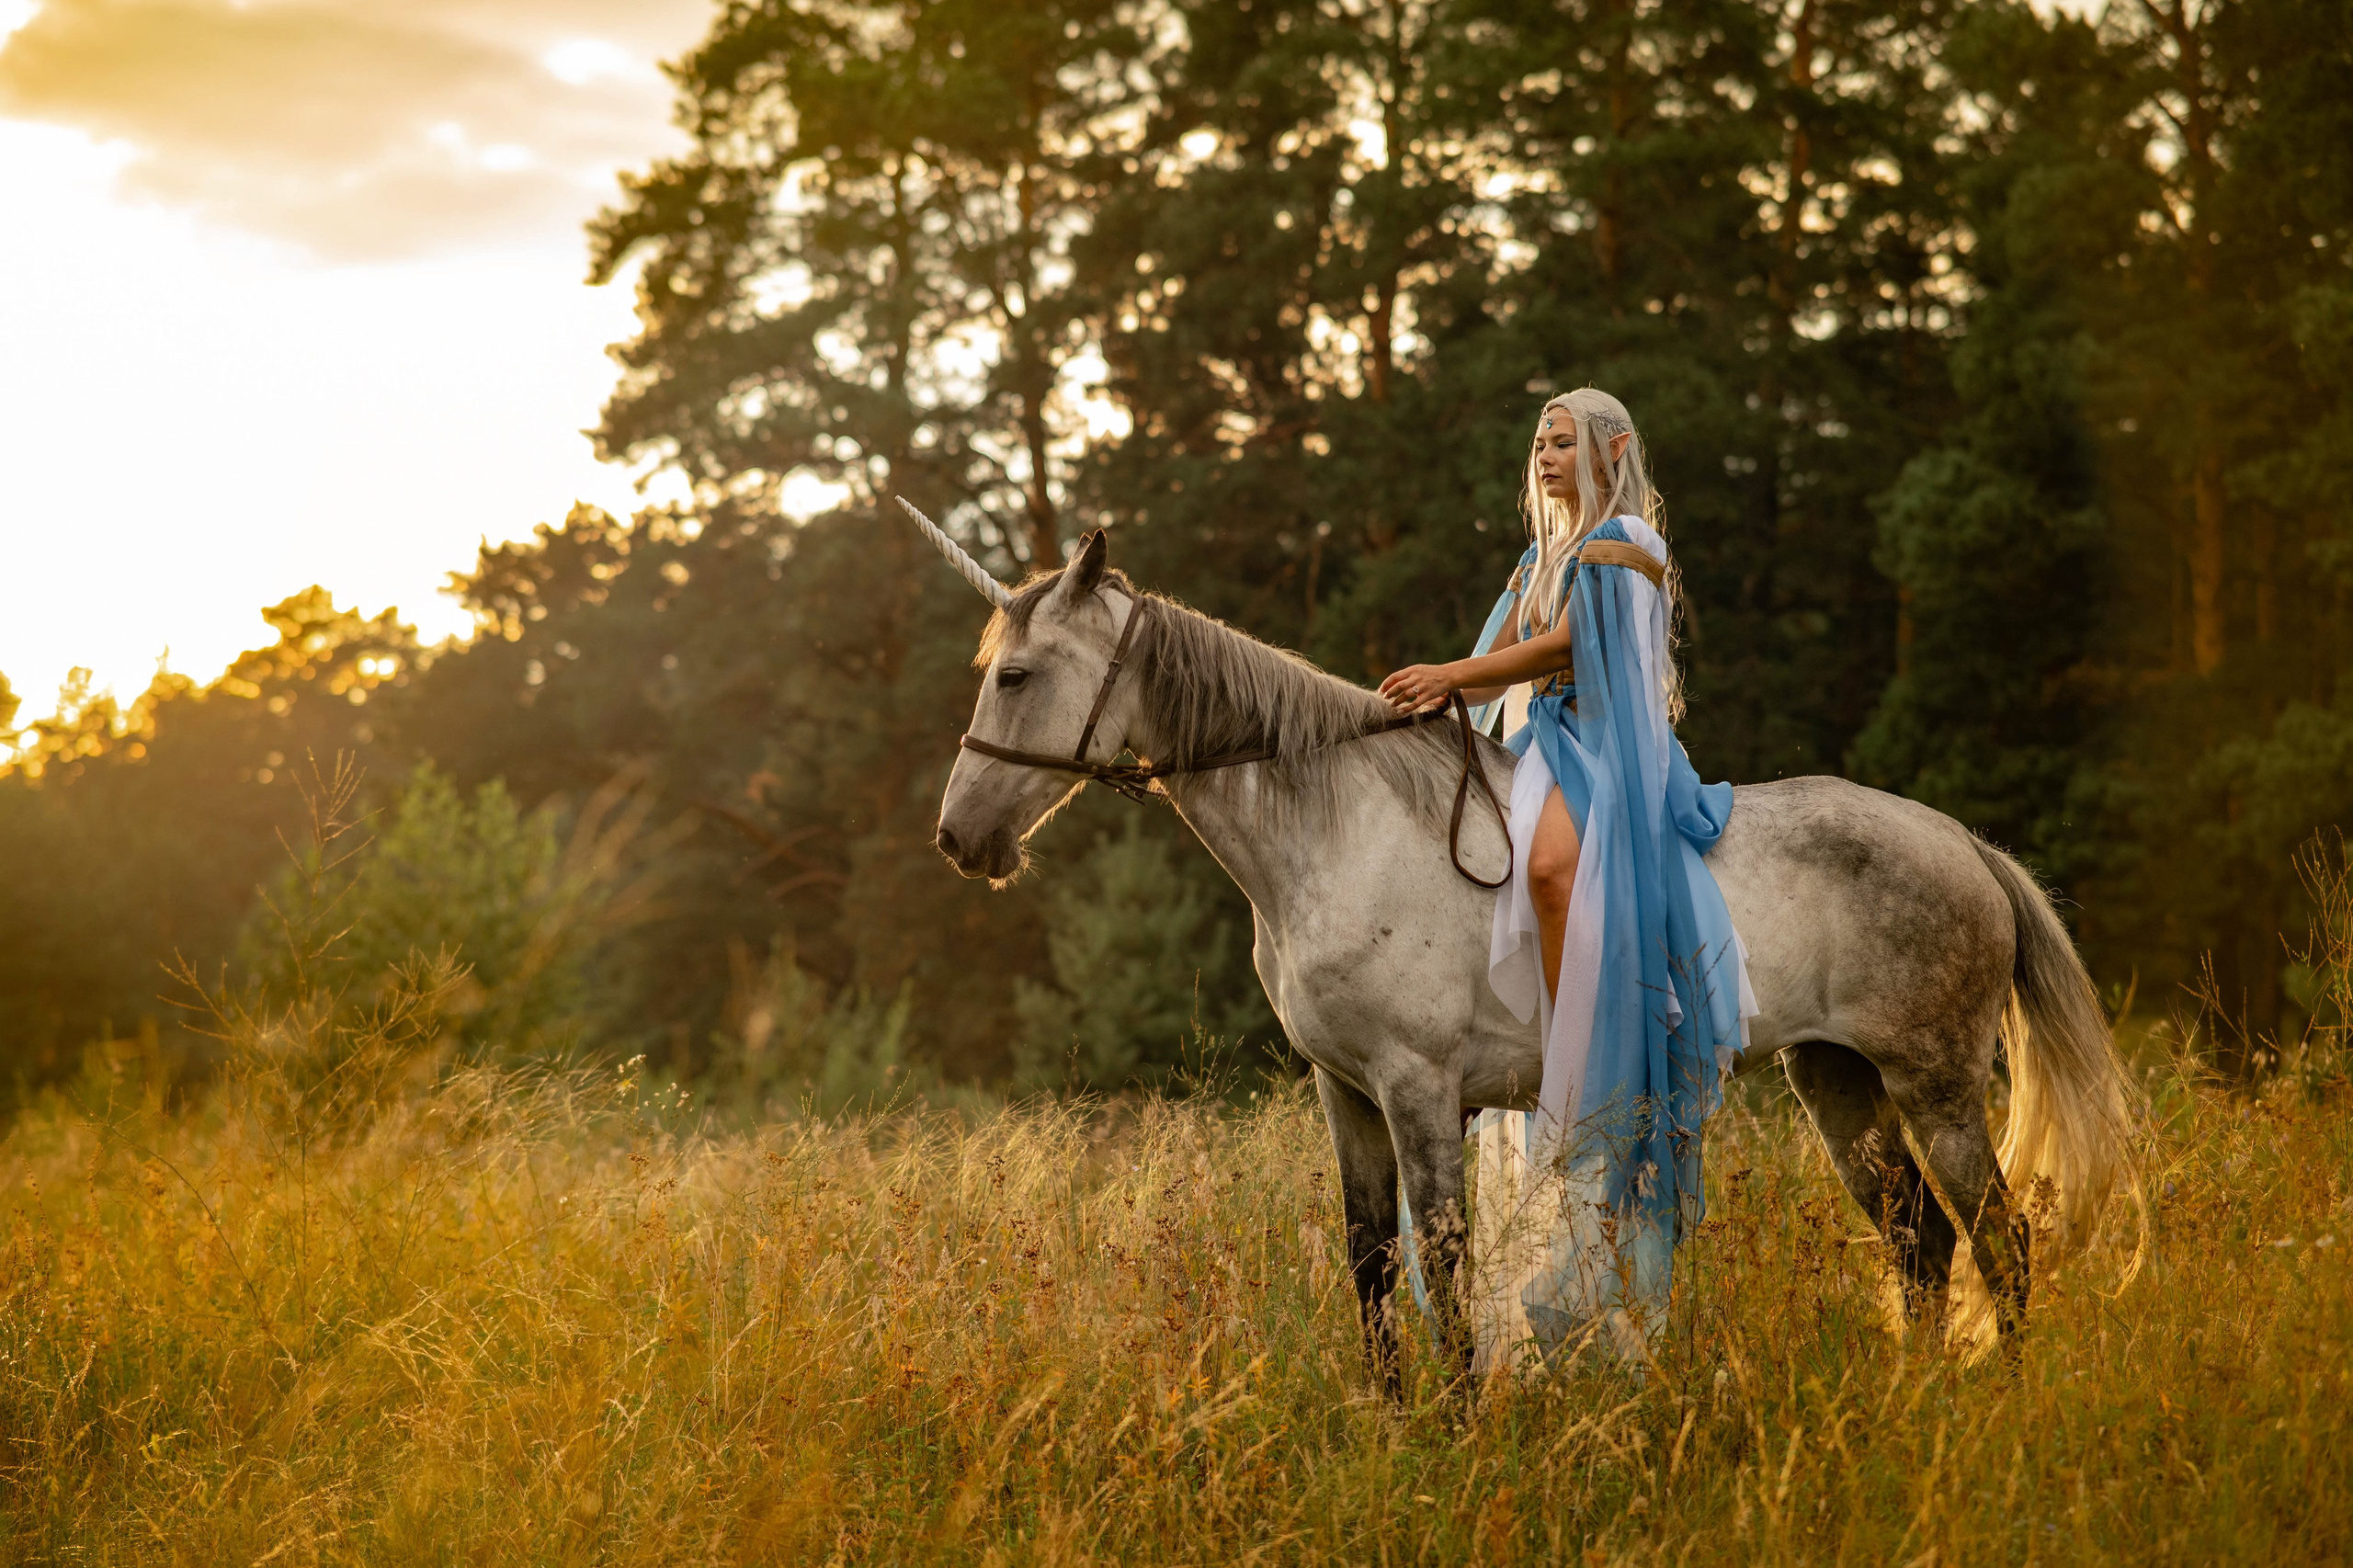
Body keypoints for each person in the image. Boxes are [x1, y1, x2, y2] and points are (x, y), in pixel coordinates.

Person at [1379, 387, 1754, 1369]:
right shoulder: (1538, 555)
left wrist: (1457, 676)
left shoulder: (1626, 536)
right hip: (1536, 741)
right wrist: (1428, 698)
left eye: (1563, 441)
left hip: (1605, 749)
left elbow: (1567, 650)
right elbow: (1495, 653)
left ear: (1613, 446)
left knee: (1549, 863)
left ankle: (1577, 1029)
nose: (1544, 456)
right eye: (1538, 441)